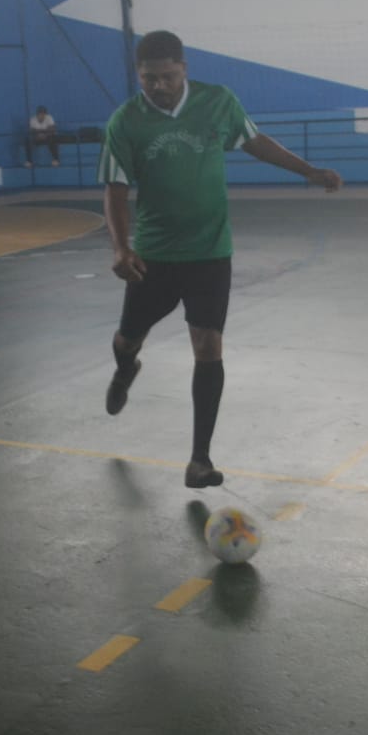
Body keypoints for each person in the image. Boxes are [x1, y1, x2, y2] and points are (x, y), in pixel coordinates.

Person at [99, 30, 343, 489]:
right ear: (138, 75)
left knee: (208, 345)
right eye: (149, 78)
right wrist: (120, 247)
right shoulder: (125, 122)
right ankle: (126, 368)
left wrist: (308, 171)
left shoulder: (217, 102)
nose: (159, 86)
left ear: (184, 69)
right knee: (127, 339)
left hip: (210, 252)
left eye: (167, 76)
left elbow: (255, 141)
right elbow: (114, 188)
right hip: (154, 255)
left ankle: (200, 460)